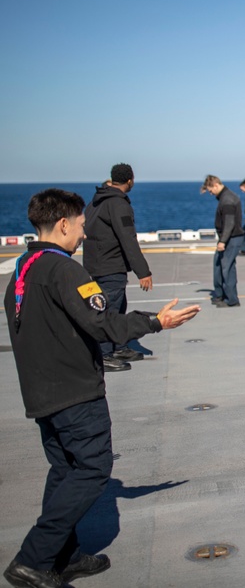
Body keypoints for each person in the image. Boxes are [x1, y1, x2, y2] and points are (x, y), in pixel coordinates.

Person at [3, 189, 199, 588]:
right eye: (80, 225)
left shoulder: (25, 267)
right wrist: (157, 322)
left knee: (65, 470)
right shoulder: (65, 270)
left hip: (41, 393)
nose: (84, 234)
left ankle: (64, 555)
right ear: (62, 224)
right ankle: (33, 559)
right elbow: (104, 323)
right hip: (75, 391)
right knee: (94, 468)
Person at [82, 163, 152, 371]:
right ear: (130, 180)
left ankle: (119, 346)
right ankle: (104, 354)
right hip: (110, 266)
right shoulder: (118, 204)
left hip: (95, 265)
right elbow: (128, 238)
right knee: (109, 309)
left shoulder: (96, 201)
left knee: (118, 306)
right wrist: (143, 272)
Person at [202, 176, 244, 308]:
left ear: (215, 185)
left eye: (210, 190)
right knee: (219, 266)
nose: (211, 193)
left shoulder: (227, 200)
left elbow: (229, 224)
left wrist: (222, 241)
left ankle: (232, 299)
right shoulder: (226, 197)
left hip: (231, 238)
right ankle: (220, 294)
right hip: (228, 238)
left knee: (227, 268)